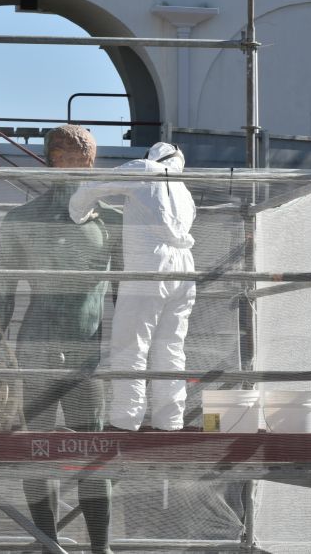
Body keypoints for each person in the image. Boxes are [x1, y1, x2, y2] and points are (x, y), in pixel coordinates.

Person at [0, 124, 114, 554]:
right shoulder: (22, 220)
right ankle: (48, 543)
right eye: (69, 161)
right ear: (51, 161)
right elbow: (2, 292)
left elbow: (133, 298)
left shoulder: (111, 221)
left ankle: (100, 548)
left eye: (85, 164)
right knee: (36, 452)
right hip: (34, 347)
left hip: (85, 353)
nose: (78, 171)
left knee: (93, 453)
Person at [69, 142, 197, 432]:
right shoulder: (184, 190)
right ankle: (170, 421)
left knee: (131, 344)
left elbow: (94, 185)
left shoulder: (144, 169)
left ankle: (125, 422)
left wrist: (78, 213)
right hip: (185, 269)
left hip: (149, 266)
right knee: (171, 348)